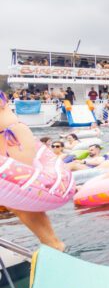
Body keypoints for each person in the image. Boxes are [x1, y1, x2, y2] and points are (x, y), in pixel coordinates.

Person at [0, 92, 65, 250]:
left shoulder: (15, 128)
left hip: (12, 141)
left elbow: (21, 175)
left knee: (21, 201)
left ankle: (54, 247)